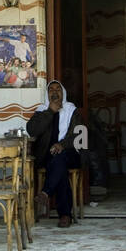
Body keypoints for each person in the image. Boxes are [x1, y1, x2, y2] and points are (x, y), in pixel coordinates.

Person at [27, 81, 83, 228]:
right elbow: (32, 130)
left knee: (60, 159)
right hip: (46, 156)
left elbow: (78, 136)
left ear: (63, 93)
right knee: (60, 168)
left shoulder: (72, 110)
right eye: (51, 89)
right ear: (47, 94)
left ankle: (46, 192)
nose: (55, 91)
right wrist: (50, 111)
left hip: (69, 154)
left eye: (58, 89)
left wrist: (62, 145)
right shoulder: (42, 110)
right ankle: (65, 215)